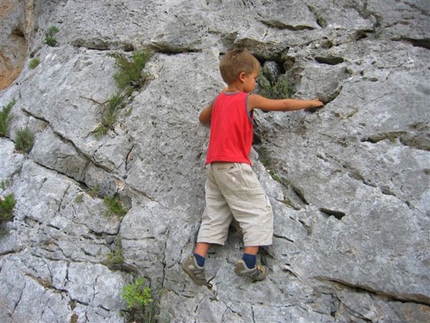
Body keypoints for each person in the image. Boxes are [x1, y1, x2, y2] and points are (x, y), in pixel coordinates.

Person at [182, 49, 324, 285]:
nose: (256, 82)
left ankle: (198, 258)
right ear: (242, 77)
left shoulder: (219, 100)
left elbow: (202, 117)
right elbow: (284, 104)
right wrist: (309, 102)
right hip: (234, 167)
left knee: (215, 214)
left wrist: (219, 97)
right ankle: (249, 262)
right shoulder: (248, 99)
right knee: (258, 210)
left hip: (214, 167)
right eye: (255, 78)